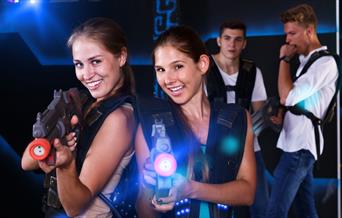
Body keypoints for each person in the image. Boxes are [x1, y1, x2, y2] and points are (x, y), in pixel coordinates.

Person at [135, 25, 256, 218]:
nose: (168, 79)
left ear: (202, 64)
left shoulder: (237, 118)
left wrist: (190, 189)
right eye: (160, 69)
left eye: (178, 66)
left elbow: (247, 192)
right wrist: (151, 188)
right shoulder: (152, 126)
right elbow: (144, 210)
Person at [21, 17, 137, 217]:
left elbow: (76, 207)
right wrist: (54, 138)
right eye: (79, 64)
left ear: (121, 57)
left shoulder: (120, 117)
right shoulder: (83, 103)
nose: (87, 74)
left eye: (96, 61)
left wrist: (65, 163)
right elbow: (26, 162)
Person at [266, 4, 339, 218]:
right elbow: (296, 102)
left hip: (300, 148)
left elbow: (287, 96)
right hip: (296, 145)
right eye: (286, 33)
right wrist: (284, 115)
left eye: (292, 33)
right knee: (306, 211)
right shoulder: (307, 63)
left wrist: (284, 60)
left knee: (275, 211)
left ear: (309, 31)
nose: (287, 39)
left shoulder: (325, 63)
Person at [206, 19, 272, 218]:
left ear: (244, 43)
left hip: (250, 149)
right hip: (213, 149)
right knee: (213, 207)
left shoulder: (253, 72)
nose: (231, 45)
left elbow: (261, 113)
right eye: (227, 38)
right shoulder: (203, 69)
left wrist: (252, 132)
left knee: (261, 207)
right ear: (218, 40)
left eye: (237, 40)